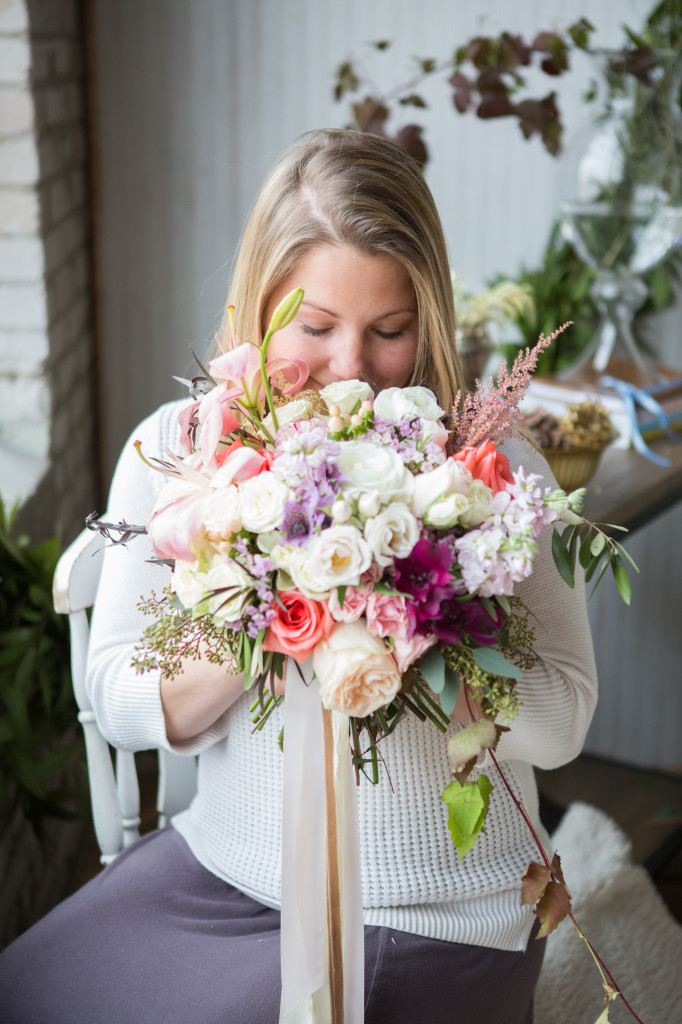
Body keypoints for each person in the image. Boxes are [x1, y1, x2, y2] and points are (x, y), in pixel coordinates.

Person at [0, 129, 597, 1024]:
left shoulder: (489, 472)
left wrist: (432, 636)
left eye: (389, 331)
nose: (350, 367)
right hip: (225, 873)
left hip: (443, 909)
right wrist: (285, 614)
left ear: (427, 320)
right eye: (315, 328)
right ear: (260, 308)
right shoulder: (178, 450)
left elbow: (569, 712)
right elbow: (119, 692)